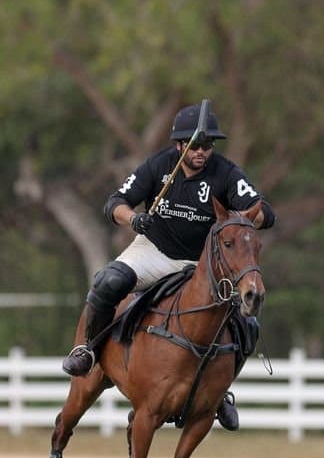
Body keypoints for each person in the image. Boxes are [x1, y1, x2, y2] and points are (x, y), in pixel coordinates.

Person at [60, 103, 277, 431]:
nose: (202, 151)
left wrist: (246, 216)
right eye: (195, 145)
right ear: (179, 144)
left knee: (247, 323)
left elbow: (265, 214)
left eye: (207, 145)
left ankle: (220, 393)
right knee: (107, 282)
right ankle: (88, 350)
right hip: (155, 251)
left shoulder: (226, 173)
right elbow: (115, 203)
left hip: (201, 264)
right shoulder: (158, 166)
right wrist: (135, 219)